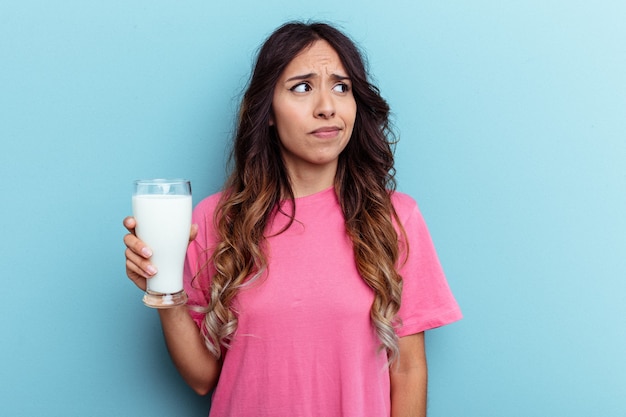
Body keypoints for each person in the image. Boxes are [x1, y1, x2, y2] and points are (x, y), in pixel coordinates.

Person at [124, 21, 462, 417]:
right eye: (302, 87)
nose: (327, 106)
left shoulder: (395, 218)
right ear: (267, 111)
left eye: (342, 87)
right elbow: (202, 377)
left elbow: (408, 370)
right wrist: (165, 291)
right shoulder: (215, 219)